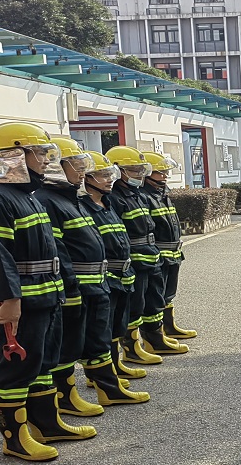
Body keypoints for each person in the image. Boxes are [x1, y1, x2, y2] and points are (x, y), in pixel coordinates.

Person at [0, 122, 96, 463]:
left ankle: (47, 425)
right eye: (38, 153)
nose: (44, 160)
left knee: (43, 363)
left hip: (45, 296)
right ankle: (15, 439)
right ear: (14, 154)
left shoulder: (25, 195)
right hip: (20, 302)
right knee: (16, 369)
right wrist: (9, 300)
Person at [44, 138, 149, 410]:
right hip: (79, 287)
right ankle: (67, 397)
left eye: (83, 167)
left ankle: (108, 388)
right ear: (57, 167)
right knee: (69, 345)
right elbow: (59, 251)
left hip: (98, 284)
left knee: (98, 338)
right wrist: (71, 289)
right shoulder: (50, 201)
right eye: (76, 166)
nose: (81, 172)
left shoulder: (70, 199)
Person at [104, 146, 184, 364]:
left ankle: (155, 338)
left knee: (154, 299)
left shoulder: (136, 194)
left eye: (141, 170)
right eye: (134, 170)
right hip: (135, 261)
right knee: (134, 307)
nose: (139, 175)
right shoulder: (115, 198)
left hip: (151, 257)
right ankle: (132, 348)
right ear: (118, 171)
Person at [81, 151, 151, 385]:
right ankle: (98, 375)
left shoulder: (108, 202)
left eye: (109, 174)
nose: (109, 179)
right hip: (104, 277)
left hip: (122, 275)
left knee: (116, 325)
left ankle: (115, 364)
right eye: (102, 175)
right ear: (87, 178)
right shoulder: (84, 206)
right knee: (101, 329)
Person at [143, 151, 197, 343]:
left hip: (173, 253)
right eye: (160, 172)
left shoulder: (163, 194)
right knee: (155, 297)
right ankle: (155, 335)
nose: (164, 175)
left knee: (168, 293)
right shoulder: (145, 196)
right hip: (159, 255)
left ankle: (169, 327)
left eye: (166, 171)